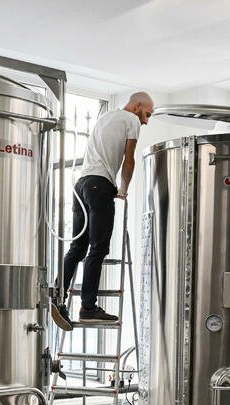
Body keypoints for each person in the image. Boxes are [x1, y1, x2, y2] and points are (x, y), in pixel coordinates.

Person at [52, 91, 154, 330]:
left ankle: (56, 297)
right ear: (137, 106)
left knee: (77, 248)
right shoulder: (131, 120)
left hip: (81, 185)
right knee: (98, 248)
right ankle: (88, 307)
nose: (146, 121)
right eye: (147, 114)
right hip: (100, 185)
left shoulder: (105, 117)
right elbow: (129, 160)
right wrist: (123, 189)